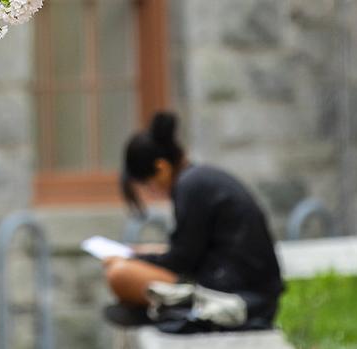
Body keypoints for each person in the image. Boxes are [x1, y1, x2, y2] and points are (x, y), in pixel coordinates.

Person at [100, 112, 285, 333]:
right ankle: (161, 307)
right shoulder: (197, 180)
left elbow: (182, 259)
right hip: (244, 288)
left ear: (162, 168)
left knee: (118, 274)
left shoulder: (190, 185)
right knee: (119, 266)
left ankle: (165, 308)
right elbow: (191, 250)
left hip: (239, 295)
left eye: (149, 185)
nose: (153, 192)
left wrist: (135, 258)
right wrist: (139, 254)